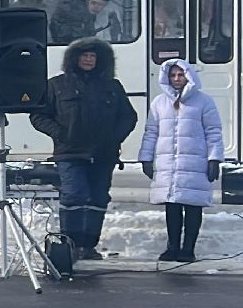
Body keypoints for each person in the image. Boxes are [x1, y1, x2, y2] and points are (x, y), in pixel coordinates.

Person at [30, 37, 139, 260]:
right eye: (84, 56)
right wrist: (61, 134)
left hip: (103, 154)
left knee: (98, 197)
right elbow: (38, 116)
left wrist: (114, 138)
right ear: (74, 59)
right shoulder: (56, 85)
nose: (89, 60)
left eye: (93, 57)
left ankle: (88, 246)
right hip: (70, 153)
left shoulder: (112, 86)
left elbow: (128, 117)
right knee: (74, 194)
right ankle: (69, 243)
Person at [139, 59, 225, 263]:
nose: (177, 79)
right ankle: (172, 247)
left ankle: (188, 249)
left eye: (181, 74)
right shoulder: (159, 102)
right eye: (173, 75)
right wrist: (146, 158)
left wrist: (214, 160)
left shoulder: (204, 101)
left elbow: (213, 132)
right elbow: (151, 132)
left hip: (195, 163)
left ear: (189, 76)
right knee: (172, 207)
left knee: (193, 206)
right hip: (168, 164)